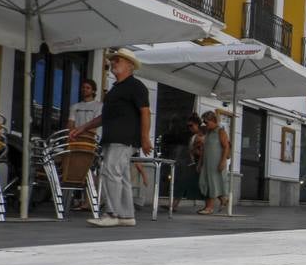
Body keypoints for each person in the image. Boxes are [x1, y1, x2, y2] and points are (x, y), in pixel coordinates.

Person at [69, 48, 151, 227]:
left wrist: (145, 138)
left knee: (110, 172)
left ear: (129, 65)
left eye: (118, 60)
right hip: (113, 137)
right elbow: (104, 116)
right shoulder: (115, 89)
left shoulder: (136, 86)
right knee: (121, 175)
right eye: (113, 60)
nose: (113, 62)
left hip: (124, 138)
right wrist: (82, 127)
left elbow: (145, 112)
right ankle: (126, 216)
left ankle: (112, 213)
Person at [197, 110, 230, 215]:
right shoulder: (208, 133)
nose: (205, 124)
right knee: (206, 183)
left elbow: (226, 147)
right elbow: (204, 149)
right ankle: (223, 199)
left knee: (212, 184)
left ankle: (209, 207)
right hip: (207, 162)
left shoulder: (220, 131)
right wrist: (200, 163)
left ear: (212, 120)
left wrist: (223, 161)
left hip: (216, 162)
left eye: (206, 122)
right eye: (204, 122)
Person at [171, 113, 205, 212]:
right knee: (182, 182)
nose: (189, 128)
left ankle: (220, 199)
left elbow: (202, 151)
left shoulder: (201, 136)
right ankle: (174, 205)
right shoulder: (193, 136)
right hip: (193, 163)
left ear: (197, 124)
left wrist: (195, 152)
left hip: (199, 163)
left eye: (191, 125)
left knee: (203, 184)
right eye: (188, 126)